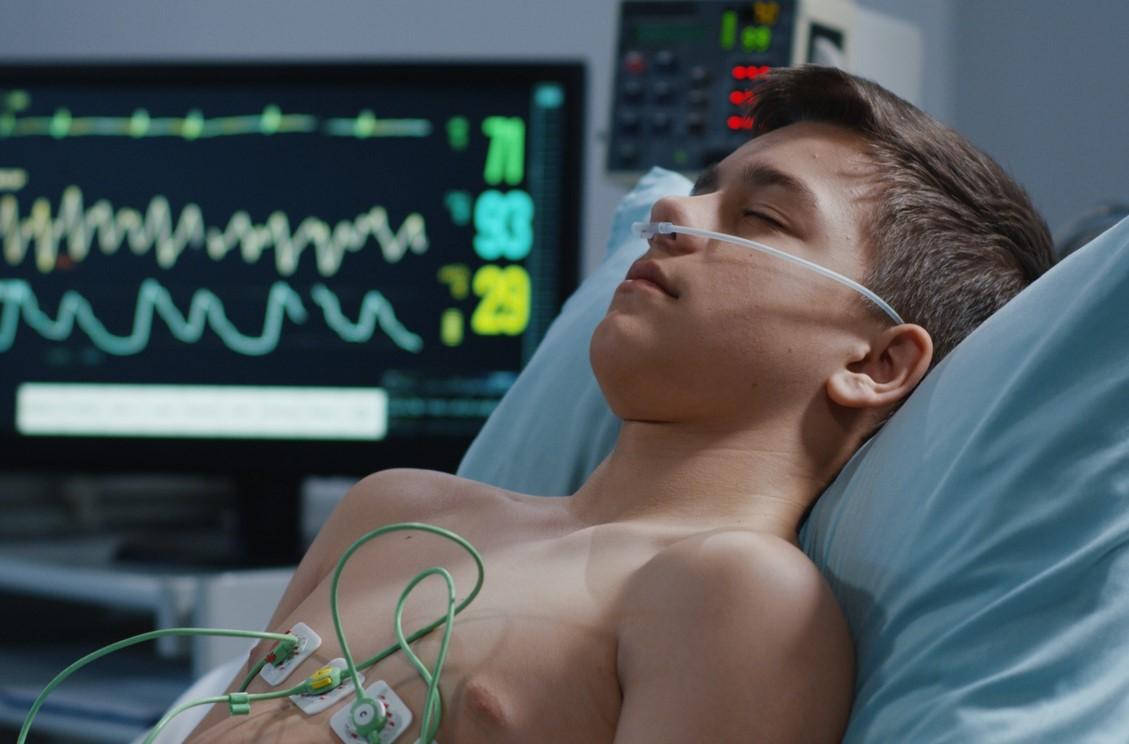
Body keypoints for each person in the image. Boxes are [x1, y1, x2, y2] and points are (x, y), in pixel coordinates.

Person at [187, 66, 1055, 743]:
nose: (673, 207)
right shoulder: (397, 510)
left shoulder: (733, 595)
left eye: (760, 217)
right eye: (705, 187)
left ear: (874, 360)